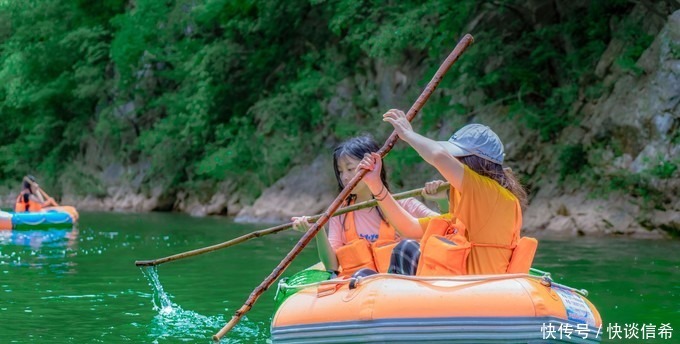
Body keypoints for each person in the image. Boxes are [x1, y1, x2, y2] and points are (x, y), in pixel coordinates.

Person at [358, 109, 528, 276]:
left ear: (474, 162)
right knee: (367, 273)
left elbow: (439, 156)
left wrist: (408, 134)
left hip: (477, 291)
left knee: (407, 249)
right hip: (459, 289)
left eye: (456, 157)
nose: (452, 162)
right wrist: (375, 184)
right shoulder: (468, 202)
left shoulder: (490, 194)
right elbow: (409, 227)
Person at [292, 135, 439, 277]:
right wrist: (318, 232)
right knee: (362, 274)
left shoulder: (403, 203)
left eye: (350, 169)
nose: (344, 177)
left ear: (373, 167)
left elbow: (448, 226)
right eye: (340, 171)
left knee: (407, 246)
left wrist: (442, 201)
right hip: (361, 285)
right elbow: (332, 266)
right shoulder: (339, 214)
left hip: (400, 283)